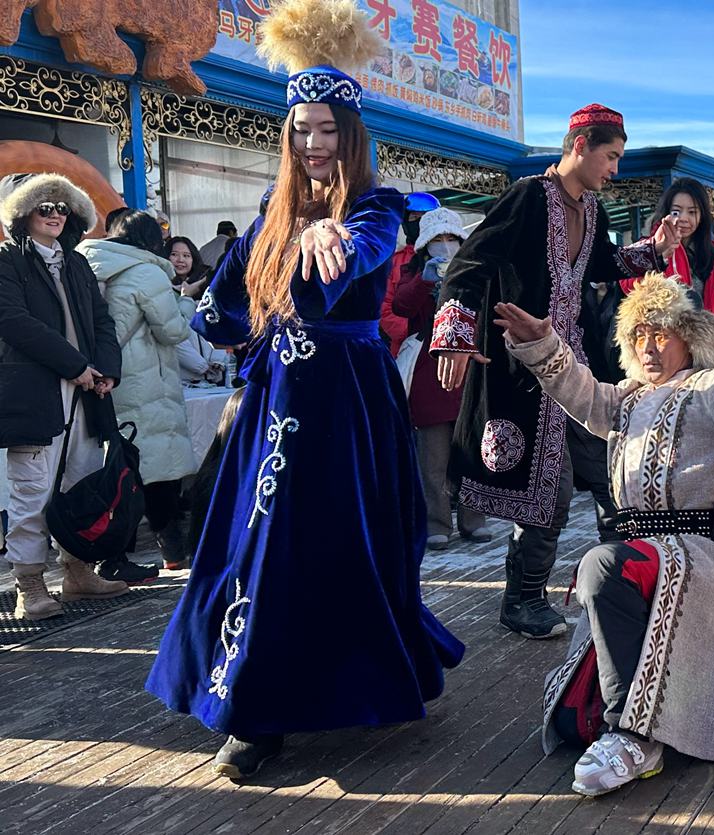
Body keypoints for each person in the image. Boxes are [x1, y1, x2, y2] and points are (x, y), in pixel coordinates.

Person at [145, 0, 463, 780]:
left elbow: (356, 260)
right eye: (301, 130)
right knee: (256, 542)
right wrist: (280, 238)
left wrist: (332, 234)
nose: (313, 143)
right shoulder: (271, 212)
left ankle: (335, 686)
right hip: (274, 401)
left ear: (350, 136)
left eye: (327, 130)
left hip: (346, 406)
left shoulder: (379, 207)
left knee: (339, 544)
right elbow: (222, 309)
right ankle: (254, 709)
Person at [494, 273, 714, 796]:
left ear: (690, 337)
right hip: (640, 550)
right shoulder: (629, 399)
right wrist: (542, 342)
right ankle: (630, 716)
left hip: (697, 552)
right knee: (570, 719)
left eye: (661, 334)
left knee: (601, 566)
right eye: (639, 335)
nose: (650, 347)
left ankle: (633, 734)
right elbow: (579, 390)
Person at [431, 103, 682, 639]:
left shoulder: (591, 209)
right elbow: (468, 263)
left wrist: (654, 249)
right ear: (580, 147)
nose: (615, 169)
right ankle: (522, 600)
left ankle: (626, 582)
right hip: (522, 372)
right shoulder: (527, 197)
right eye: (611, 156)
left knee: (611, 471)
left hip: (574, 369)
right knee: (549, 493)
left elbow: (600, 264)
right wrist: (454, 335)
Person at [0, 173, 129, 620]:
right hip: (35, 390)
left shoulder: (75, 263)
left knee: (82, 482)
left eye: (62, 207)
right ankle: (29, 585)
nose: (55, 215)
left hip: (87, 389)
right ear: (22, 213)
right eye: (44, 207)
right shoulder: (7, 261)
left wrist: (107, 369)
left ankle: (77, 571)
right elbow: (12, 320)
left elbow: (103, 320)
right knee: (32, 489)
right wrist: (76, 365)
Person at [79, 210, 198, 578]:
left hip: (102, 377)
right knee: (159, 470)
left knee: (118, 469)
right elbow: (173, 331)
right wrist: (186, 300)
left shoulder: (86, 265)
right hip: (146, 382)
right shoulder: (147, 272)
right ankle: (173, 554)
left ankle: (112, 557)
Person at [392, 207, 490, 549]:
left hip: (469, 369)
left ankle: (474, 520)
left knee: (473, 452)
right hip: (428, 373)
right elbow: (401, 307)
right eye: (438, 239)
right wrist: (424, 281)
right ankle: (436, 523)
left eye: (451, 238)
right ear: (424, 245)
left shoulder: (475, 271)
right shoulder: (412, 272)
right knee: (432, 458)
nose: (446, 245)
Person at [627, 177, 714, 334]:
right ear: (666, 213)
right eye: (676, 211)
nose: (683, 218)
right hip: (660, 343)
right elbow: (628, 286)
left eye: (692, 212)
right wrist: (657, 254)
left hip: (705, 345)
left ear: (701, 216)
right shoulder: (647, 247)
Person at [381, 192, 440, 357]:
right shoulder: (394, 262)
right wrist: (416, 332)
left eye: (426, 217)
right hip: (410, 349)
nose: (420, 223)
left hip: (451, 342)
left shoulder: (453, 254)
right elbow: (384, 308)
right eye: (414, 217)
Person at [166, 235, 228, 385]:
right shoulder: (162, 289)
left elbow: (216, 328)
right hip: (182, 378)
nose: (180, 260)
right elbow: (175, 335)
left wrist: (217, 361)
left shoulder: (204, 289)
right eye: (174, 254)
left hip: (212, 376)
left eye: (186, 256)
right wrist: (201, 366)